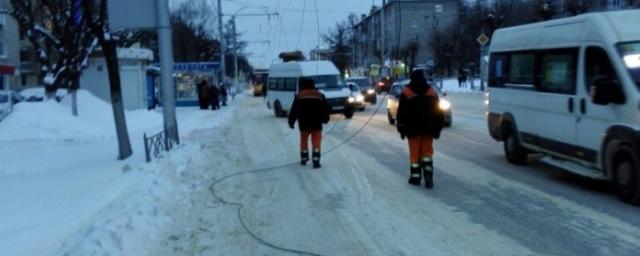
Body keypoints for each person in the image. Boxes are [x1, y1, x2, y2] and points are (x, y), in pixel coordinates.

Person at [396, 70, 445, 189]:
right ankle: (429, 178)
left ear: (411, 78)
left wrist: (401, 128)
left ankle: (415, 178)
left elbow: (401, 113)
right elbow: (439, 112)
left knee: (415, 155)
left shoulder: (407, 92)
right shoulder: (431, 91)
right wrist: (438, 128)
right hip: (428, 129)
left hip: (413, 130)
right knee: (427, 154)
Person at [288, 78, 331, 169]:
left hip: (303, 123)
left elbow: (294, 110)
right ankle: (316, 161)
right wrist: (325, 119)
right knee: (316, 142)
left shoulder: (299, 95)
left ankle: (304, 159)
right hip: (316, 123)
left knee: (303, 141)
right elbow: (325, 109)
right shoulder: (320, 95)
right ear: (313, 85)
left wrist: (291, 121)